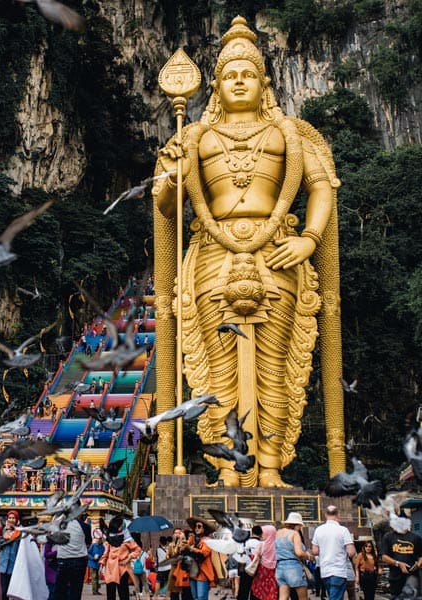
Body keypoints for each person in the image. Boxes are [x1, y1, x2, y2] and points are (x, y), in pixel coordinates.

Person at [152, 15, 342, 487]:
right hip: (214, 254)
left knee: (275, 366)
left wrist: (309, 239)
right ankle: (229, 469)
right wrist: (174, 176)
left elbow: (322, 187)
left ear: (264, 83)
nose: (239, 81)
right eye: (230, 75)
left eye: (248, 74)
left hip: (277, 252)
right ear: (215, 85)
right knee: (219, 371)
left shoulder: (289, 135)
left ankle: (272, 467)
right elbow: (163, 203)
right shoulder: (194, 137)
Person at [311, 506, 355, 600]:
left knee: (333, 596)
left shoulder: (319, 530)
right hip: (339, 571)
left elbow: (314, 551)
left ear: (325, 515)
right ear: (337, 515)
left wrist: (325, 549)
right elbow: (351, 552)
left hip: (325, 571)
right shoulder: (343, 530)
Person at [380, 512, 422, 598]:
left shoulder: (416, 538)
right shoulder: (388, 537)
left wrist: (418, 564)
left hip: (412, 577)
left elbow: (421, 556)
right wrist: (398, 563)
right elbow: (384, 557)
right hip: (395, 577)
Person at [99, 517, 141, 600]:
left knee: (123, 593)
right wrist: (102, 564)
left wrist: (128, 558)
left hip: (122, 568)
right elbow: (106, 552)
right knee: (110, 594)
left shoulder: (127, 539)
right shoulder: (110, 538)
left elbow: (137, 550)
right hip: (110, 569)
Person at [275, 513, 311, 600]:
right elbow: (299, 553)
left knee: (283, 597)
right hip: (294, 567)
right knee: (303, 598)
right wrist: (309, 556)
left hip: (280, 568)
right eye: (300, 525)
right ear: (296, 524)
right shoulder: (294, 534)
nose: (300, 528)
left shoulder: (278, 533)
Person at [53, 517, 89, 600]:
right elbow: (88, 541)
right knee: (75, 592)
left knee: (59, 592)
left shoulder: (58, 524)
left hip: (63, 560)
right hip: (79, 561)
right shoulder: (84, 526)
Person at [183, 517, 216, 600]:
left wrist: (191, 548)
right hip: (193, 574)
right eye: (196, 526)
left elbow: (203, 554)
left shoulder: (207, 540)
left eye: (199, 526)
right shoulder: (193, 540)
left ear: (204, 529)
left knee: (201, 597)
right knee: (195, 597)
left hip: (203, 574)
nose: (196, 528)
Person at [0, 511, 21, 600]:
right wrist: (4, 537)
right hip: (3, 565)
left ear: (17, 520)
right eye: (10, 518)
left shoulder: (19, 532)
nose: (11, 520)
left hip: (14, 565)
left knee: (13, 592)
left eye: (13, 518)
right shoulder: (3, 530)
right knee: (4, 591)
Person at [250, 525, 277, 600]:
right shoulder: (278, 545)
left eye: (263, 533)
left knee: (259, 592)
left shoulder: (261, 545)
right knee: (271, 593)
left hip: (261, 574)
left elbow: (253, 558)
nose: (262, 534)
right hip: (273, 575)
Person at [166, 529, 193, 600]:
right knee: (174, 593)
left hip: (183, 571)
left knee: (185, 592)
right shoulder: (171, 545)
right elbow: (168, 556)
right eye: (175, 533)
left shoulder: (185, 544)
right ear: (173, 535)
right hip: (174, 570)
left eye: (179, 533)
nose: (177, 534)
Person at [238, 525, 262, 600]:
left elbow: (240, 556)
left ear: (252, 533)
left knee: (243, 592)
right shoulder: (262, 544)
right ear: (261, 534)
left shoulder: (245, 543)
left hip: (246, 570)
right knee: (255, 592)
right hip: (257, 571)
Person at [88, 530, 106, 595]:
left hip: (98, 563)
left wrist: (101, 560)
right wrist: (92, 558)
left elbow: (103, 555)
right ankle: (94, 591)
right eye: (98, 539)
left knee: (97, 577)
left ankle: (96, 590)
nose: (99, 540)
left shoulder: (102, 547)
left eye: (100, 539)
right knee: (94, 577)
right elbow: (88, 553)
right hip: (92, 563)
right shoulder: (93, 545)